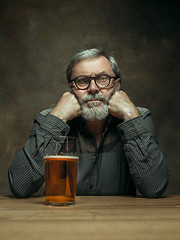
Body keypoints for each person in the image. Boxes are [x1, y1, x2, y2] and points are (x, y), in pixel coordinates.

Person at [8, 48, 169, 198]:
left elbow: (154, 187)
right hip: (59, 221)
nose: (93, 88)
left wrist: (130, 115)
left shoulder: (138, 117)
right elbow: (20, 187)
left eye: (103, 79)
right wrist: (57, 118)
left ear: (117, 85)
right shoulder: (48, 118)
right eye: (82, 81)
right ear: (71, 89)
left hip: (119, 221)